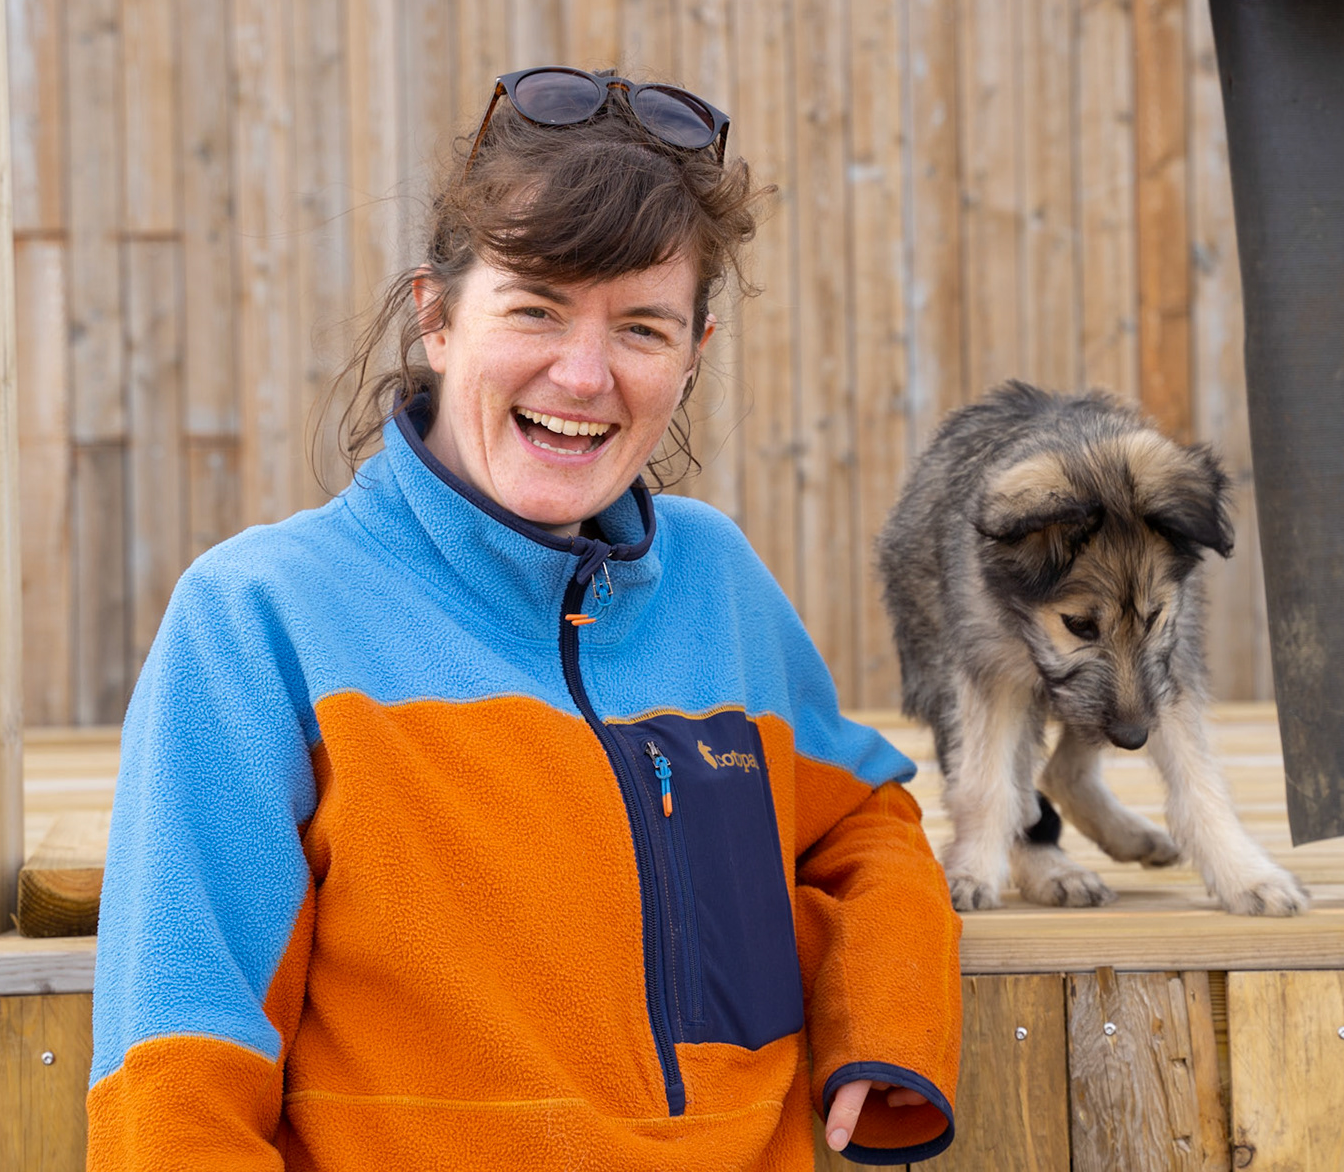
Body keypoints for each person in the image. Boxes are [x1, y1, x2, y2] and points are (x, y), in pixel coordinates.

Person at [85, 66, 963, 1170]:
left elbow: (861, 825)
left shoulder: (718, 580)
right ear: (438, 315)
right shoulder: (258, 618)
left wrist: (886, 1022)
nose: (584, 372)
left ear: (692, 358)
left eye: (643, 327)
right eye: (537, 309)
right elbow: (176, 1073)